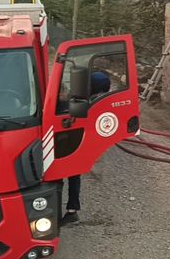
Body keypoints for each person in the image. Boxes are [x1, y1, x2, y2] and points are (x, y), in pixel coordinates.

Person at [61, 71, 111, 226]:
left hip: (75, 141)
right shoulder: (101, 100)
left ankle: (66, 209)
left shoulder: (92, 102)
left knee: (61, 173)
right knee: (73, 174)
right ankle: (72, 209)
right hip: (80, 142)